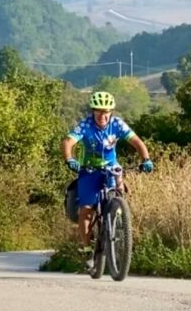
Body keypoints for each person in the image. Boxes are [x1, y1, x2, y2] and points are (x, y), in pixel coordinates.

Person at [62, 90, 153, 252]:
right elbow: (68, 141)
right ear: (93, 111)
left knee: (119, 193)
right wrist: (70, 159)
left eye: (106, 112)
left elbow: (136, 141)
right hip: (89, 170)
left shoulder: (117, 124)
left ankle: (118, 218)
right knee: (86, 210)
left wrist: (146, 159)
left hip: (112, 168)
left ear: (111, 112)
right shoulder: (85, 125)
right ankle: (87, 248)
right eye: (98, 112)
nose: (102, 116)